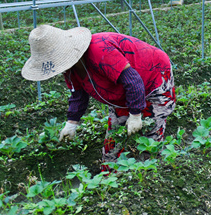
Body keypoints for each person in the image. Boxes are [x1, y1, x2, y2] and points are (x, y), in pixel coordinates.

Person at [21, 24, 176, 171]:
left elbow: (133, 81)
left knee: (150, 134)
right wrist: (71, 123)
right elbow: (78, 95)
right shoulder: (69, 69)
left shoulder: (99, 50)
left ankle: (146, 172)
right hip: (122, 92)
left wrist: (135, 115)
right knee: (113, 140)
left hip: (154, 76)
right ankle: (109, 176)